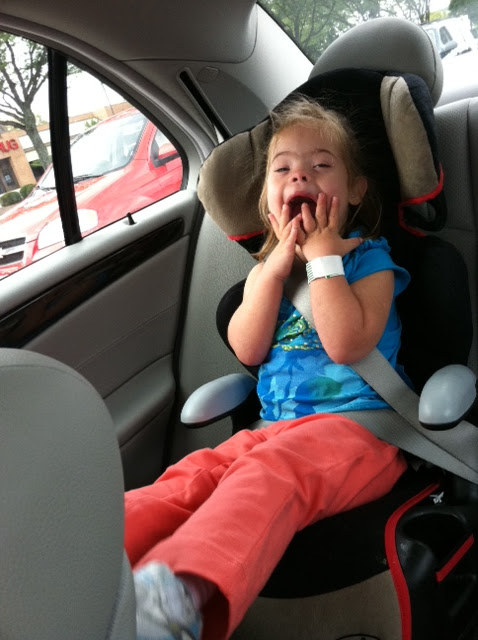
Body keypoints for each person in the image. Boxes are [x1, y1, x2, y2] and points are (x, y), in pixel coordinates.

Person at [124, 96, 410, 640]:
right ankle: (88, 559)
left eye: (320, 165)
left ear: (354, 190)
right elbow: (248, 349)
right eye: (283, 169)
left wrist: (323, 259)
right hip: (274, 431)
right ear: (268, 199)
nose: (300, 174)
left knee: (267, 474)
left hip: (360, 434)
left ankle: (174, 600)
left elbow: (347, 345)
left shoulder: (369, 259)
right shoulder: (266, 275)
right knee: (191, 477)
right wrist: (272, 272)